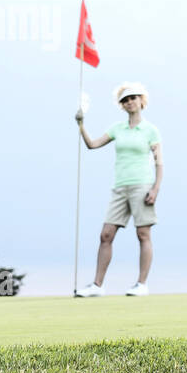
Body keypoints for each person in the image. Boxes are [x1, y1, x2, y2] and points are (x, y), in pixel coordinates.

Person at [73, 82, 162, 296]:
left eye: (133, 98)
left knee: (143, 234)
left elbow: (159, 161)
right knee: (106, 235)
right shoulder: (117, 129)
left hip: (142, 185)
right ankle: (97, 286)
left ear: (142, 101)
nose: (130, 102)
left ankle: (141, 284)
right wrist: (81, 125)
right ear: (122, 105)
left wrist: (156, 188)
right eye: (125, 100)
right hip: (119, 186)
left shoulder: (150, 130)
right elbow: (92, 145)